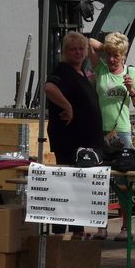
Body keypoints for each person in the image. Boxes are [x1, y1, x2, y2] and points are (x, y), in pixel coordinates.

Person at [44, 32, 103, 238]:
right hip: (70, 141)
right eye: (73, 49)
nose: (78, 52)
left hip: (86, 141)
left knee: (79, 187)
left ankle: (78, 231)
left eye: (81, 49)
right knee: (66, 186)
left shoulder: (82, 73)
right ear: (65, 52)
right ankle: (60, 233)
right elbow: (49, 87)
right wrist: (67, 106)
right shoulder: (64, 71)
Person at [89, 31, 135, 240]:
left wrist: (131, 89)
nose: (112, 59)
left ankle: (125, 228)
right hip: (101, 132)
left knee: (123, 181)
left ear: (124, 55)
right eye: (109, 55)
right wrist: (108, 46)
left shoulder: (132, 72)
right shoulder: (101, 69)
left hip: (121, 132)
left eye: (116, 55)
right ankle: (101, 227)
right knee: (99, 180)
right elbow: (89, 42)